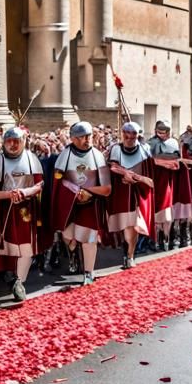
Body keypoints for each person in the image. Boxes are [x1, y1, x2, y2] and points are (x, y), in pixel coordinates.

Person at [0, 126, 46, 302]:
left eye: (17, 141)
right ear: (3, 142)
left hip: (26, 211)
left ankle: (19, 282)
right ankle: (2, 273)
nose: (13, 145)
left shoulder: (32, 159)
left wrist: (24, 192)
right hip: (2, 212)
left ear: (24, 141)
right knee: (5, 248)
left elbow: (39, 186)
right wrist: (9, 194)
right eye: (9, 141)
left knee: (26, 248)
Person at [50, 122, 112, 284]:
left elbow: (106, 188)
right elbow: (58, 180)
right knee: (68, 236)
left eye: (89, 136)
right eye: (82, 137)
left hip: (90, 205)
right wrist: (75, 190)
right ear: (73, 139)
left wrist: (88, 192)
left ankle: (88, 273)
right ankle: (72, 254)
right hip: (69, 205)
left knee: (89, 239)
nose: (87, 139)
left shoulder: (98, 156)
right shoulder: (65, 155)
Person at [106, 122, 154, 270]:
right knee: (123, 225)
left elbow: (150, 173)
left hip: (137, 193)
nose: (130, 137)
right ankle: (126, 253)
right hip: (120, 193)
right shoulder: (116, 149)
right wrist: (125, 173)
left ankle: (130, 255)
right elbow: (113, 166)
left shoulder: (144, 149)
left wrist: (136, 178)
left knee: (133, 225)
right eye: (127, 134)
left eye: (133, 134)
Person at [146, 122, 182, 250]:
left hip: (167, 180)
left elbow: (177, 162)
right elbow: (148, 161)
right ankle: (155, 241)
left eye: (165, 130)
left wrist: (164, 162)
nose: (163, 133)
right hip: (154, 179)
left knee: (167, 211)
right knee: (155, 210)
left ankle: (166, 240)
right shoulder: (150, 143)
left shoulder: (173, 143)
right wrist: (160, 162)